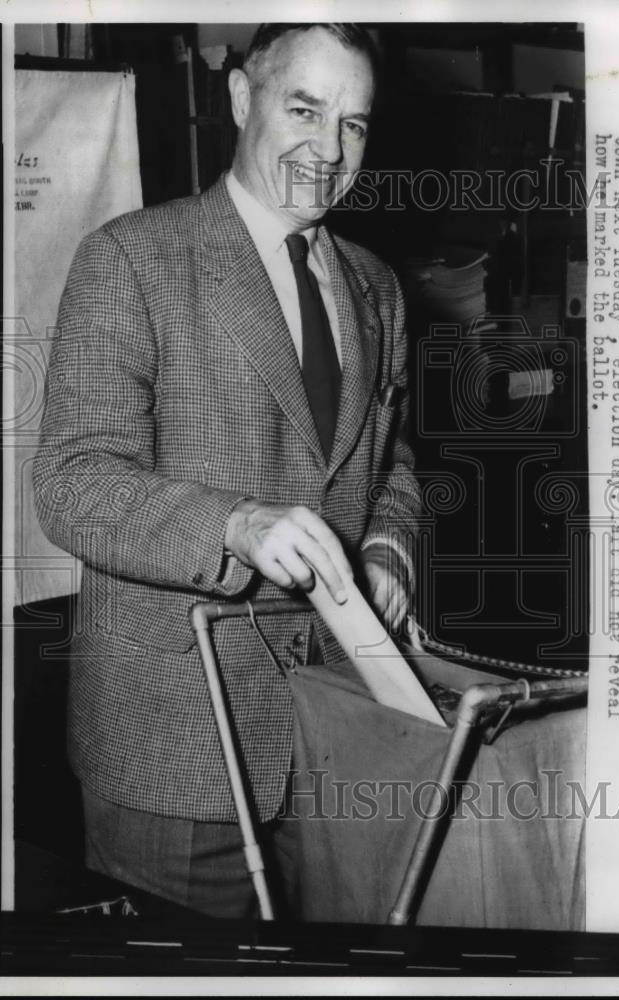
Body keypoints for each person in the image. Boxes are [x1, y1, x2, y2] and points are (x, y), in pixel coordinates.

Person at [33, 23, 420, 919]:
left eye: (355, 124)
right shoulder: (130, 258)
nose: (329, 151)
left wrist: (391, 551)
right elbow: (74, 482)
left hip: (337, 734)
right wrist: (236, 523)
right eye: (305, 108)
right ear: (242, 97)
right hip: (173, 743)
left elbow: (391, 457)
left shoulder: (377, 285)